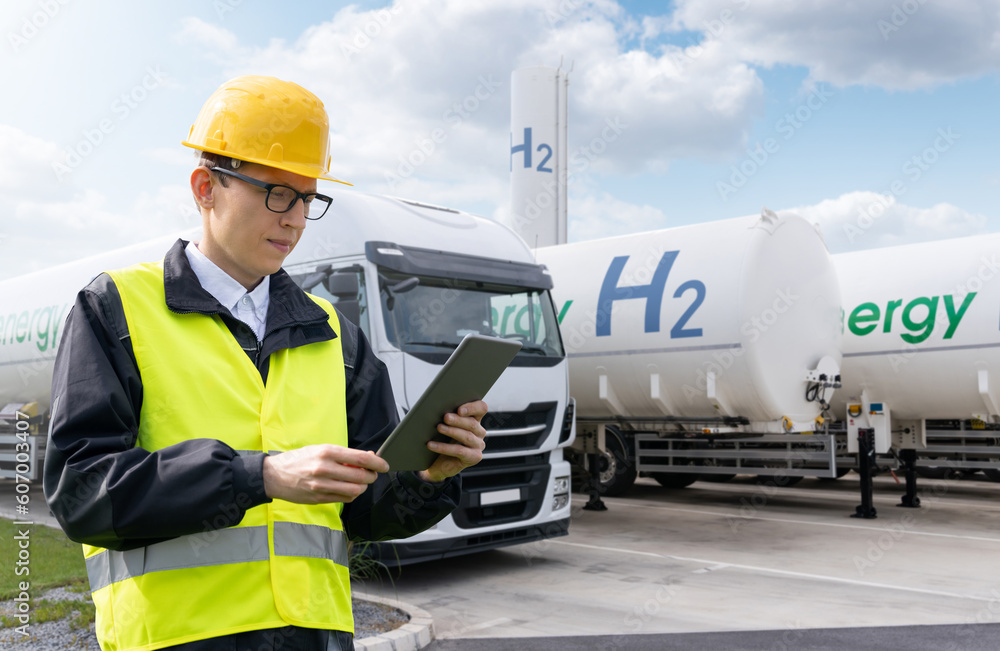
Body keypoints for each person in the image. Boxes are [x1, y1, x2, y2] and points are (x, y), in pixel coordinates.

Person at [43, 75, 488, 651]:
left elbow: (370, 514)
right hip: (175, 640)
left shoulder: (335, 335)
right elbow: (82, 492)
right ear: (205, 188)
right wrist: (259, 476)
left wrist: (431, 478)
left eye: (308, 199)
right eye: (277, 193)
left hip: (316, 637)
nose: (295, 219)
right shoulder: (115, 308)